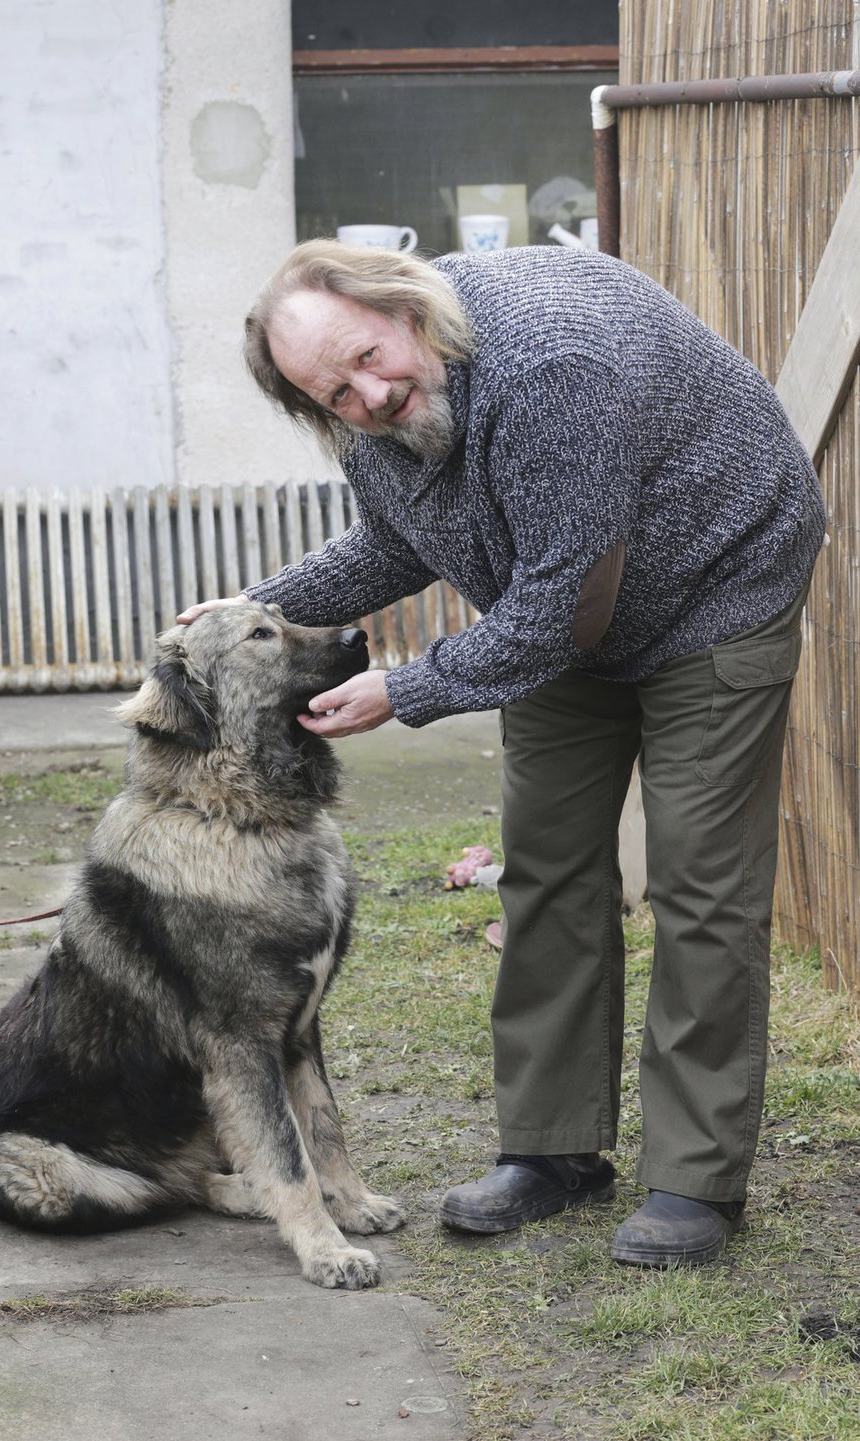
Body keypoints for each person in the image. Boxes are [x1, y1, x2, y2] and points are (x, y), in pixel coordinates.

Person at [178, 238, 826, 1266]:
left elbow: (562, 608)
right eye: (331, 392)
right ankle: (553, 1150)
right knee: (549, 867)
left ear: (405, 309)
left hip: (714, 585)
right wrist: (253, 612)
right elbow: (398, 542)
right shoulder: (370, 411)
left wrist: (408, 687)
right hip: (560, 599)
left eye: (366, 358)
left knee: (703, 883)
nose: (365, 393)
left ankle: (696, 1179)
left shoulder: (549, 366)